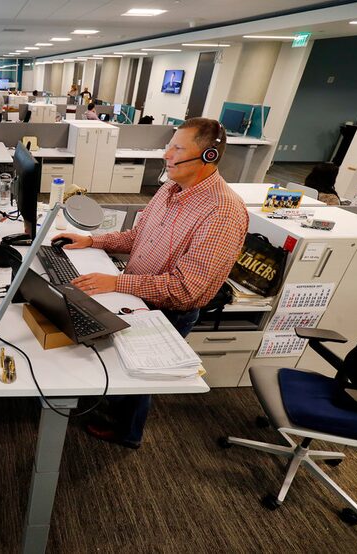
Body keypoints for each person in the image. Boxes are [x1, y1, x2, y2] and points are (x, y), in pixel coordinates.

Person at [53, 117, 248, 448]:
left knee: (139, 374)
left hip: (167, 311)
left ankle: (127, 435)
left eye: (177, 148)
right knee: (121, 363)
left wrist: (117, 284)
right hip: (137, 296)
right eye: (169, 145)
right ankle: (116, 408)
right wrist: (92, 241)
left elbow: (188, 290)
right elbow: (137, 236)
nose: (166, 154)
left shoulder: (221, 212)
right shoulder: (170, 190)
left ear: (208, 157)